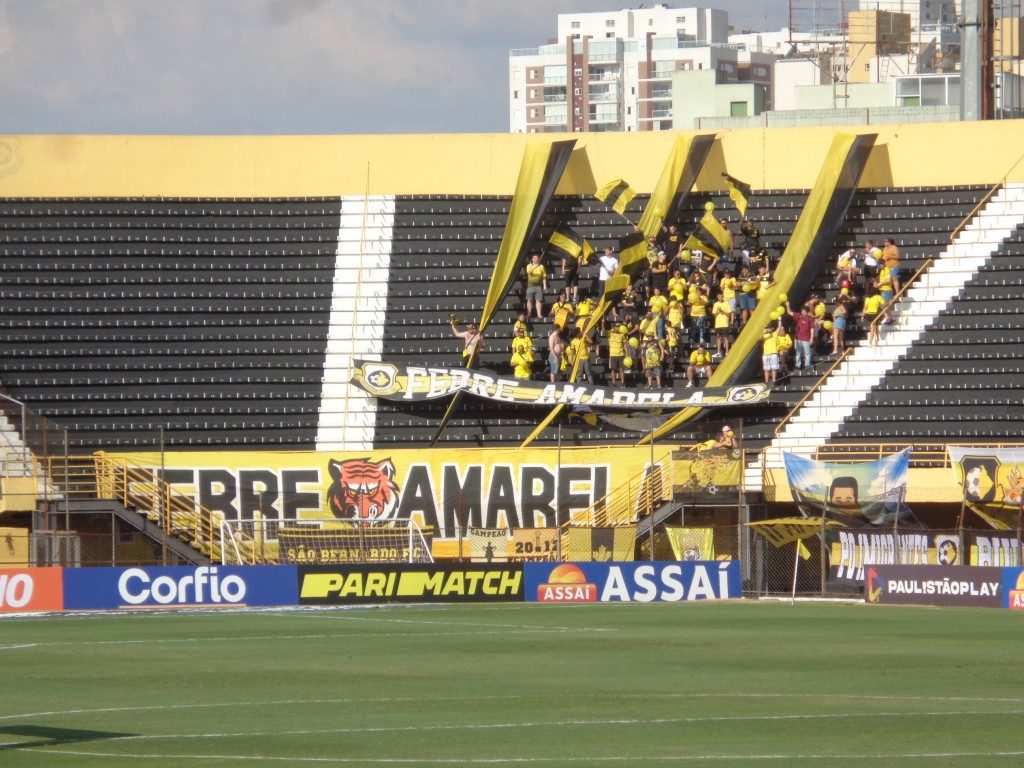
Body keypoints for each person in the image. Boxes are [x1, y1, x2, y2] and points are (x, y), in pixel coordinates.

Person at [790, 304, 817, 371]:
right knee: (798, 352)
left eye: (804, 312)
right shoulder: (799, 316)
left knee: (807, 352)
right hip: (798, 338)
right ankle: (798, 365)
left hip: (806, 338)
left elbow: (812, 328)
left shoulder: (810, 319)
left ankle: (807, 365)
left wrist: (811, 338)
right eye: (802, 311)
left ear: (807, 312)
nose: (803, 313)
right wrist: (787, 305)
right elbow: (790, 312)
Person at [524, 252, 547, 320]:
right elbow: (528, 272)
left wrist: (545, 285)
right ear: (532, 259)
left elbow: (544, 277)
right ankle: (528, 313)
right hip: (530, 286)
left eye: (537, 258)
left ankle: (539, 314)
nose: (536, 259)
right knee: (529, 300)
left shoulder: (541, 266)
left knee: (538, 300)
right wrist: (534, 266)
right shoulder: (529, 265)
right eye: (535, 258)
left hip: (538, 286)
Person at [711, 290, 733, 359]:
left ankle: (727, 351)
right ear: (717, 297)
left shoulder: (726, 303)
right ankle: (718, 352)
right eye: (719, 296)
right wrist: (718, 311)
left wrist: (722, 311)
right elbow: (714, 315)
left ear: (723, 297)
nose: (720, 297)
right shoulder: (716, 304)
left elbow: (729, 314)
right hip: (718, 324)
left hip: (725, 323)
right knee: (718, 337)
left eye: (721, 296)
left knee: (726, 337)